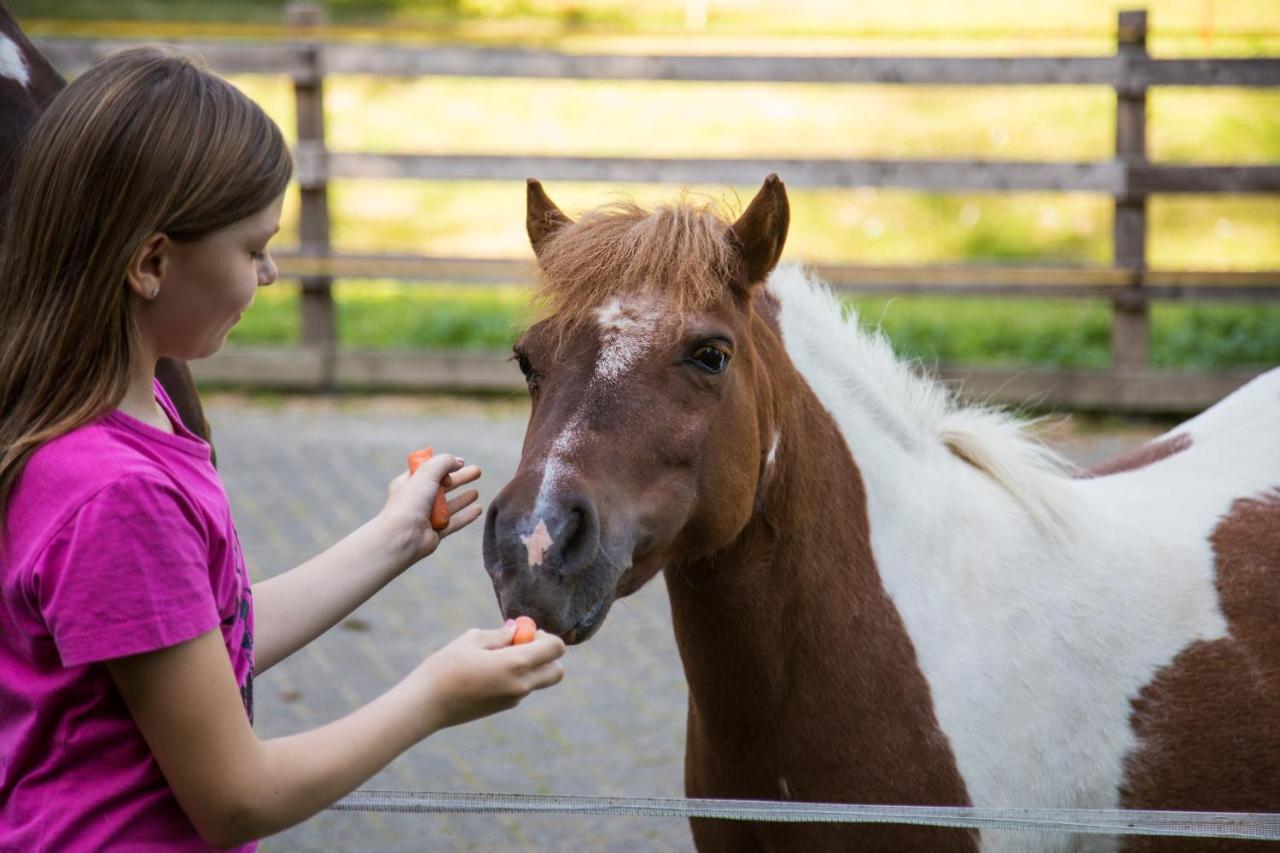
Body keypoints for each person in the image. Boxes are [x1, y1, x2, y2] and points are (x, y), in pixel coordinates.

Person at [0, 46, 566, 851]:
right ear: (153, 263)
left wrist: (393, 537)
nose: (268, 274)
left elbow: (199, 639)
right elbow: (235, 797)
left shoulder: (131, 416)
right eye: (252, 247)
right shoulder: (114, 495)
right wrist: (433, 694)